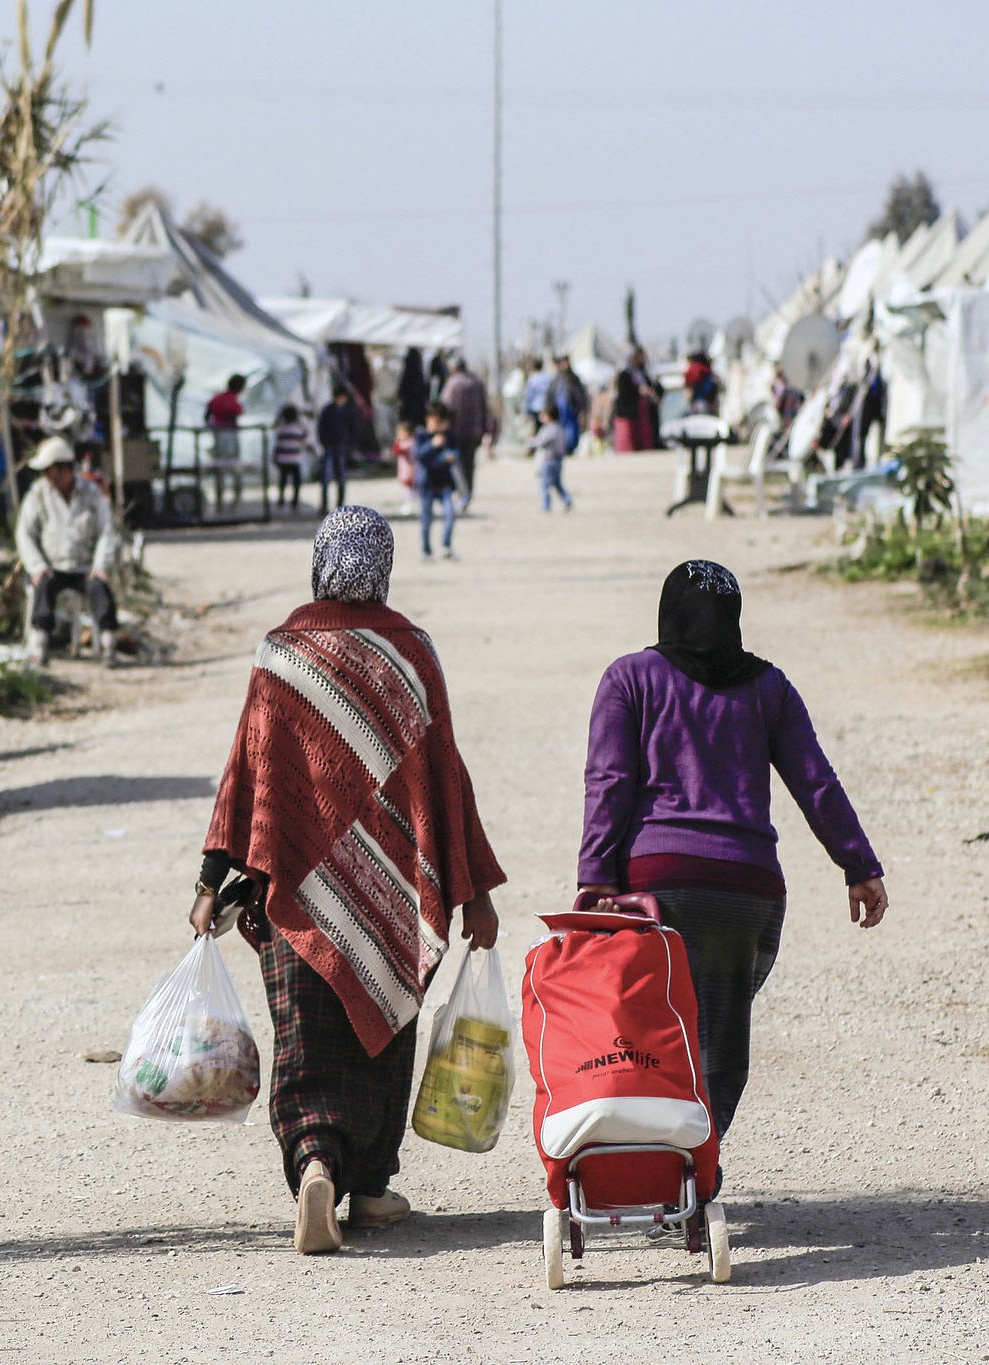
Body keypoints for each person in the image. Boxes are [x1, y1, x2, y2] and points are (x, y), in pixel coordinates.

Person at [191, 507, 505, 1254]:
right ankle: (366, 1186)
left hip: (293, 891)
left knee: (305, 1044)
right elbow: (444, 779)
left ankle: (313, 1166)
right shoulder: (412, 654)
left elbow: (248, 776)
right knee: (380, 1039)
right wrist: (475, 892)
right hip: (395, 897)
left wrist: (210, 879)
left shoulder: (282, 654)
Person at [578, 560, 887, 1165]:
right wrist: (858, 864)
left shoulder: (630, 679)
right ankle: (697, 1161)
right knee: (717, 1037)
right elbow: (815, 781)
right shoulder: (769, 687)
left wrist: (594, 880)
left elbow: (609, 784)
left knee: (649, 1033)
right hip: (746, 894)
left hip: (654, 891)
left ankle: (649, 1167)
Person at [16, 436, 120, 667]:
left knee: (100, 590)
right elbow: (25, 534)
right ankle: (39, 646)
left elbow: (107, 531)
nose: (48, 477)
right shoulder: (37, 494)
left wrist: (100, 565)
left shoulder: (91, 493)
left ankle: (108, 645)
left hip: (84, 567)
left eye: (51, 470)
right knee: (43, 589)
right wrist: (38, 566)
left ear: (65, 469)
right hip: (52, 567)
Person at [413, 401, 460, 561]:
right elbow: (419, 456)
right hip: (427, 484)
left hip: (445, 483)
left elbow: (454, 453)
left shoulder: (449, 436)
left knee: (450, 514)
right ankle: (426, 550)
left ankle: (446, 546)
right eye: (436, 421)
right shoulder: (421, 436)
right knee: (426, 519)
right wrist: (432, 445)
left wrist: (451, 456)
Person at [439, 357, 488, 507]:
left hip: (456, 431)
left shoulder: (452, 384)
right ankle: (469, 493)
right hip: (474, 430)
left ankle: (463, 493)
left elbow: (444, 407)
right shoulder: (477, 383)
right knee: (469, 464)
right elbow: (484, 408)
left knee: (456, 463)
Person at [204, 374, 246, 509]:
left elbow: (207, 413)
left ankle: (220, 499)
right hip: (229, 435)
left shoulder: (218, 398)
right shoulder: (231, 400)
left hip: (218, 433)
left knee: (220, 467)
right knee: (233, 466)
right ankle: (235, 498)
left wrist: (211, 426)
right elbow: (235, 413)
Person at [315, 384, 356, 514]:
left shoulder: (348, 411)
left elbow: (353, 428)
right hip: (330, 446)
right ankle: (324, 505)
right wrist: (324, 442)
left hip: (341, 446)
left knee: (341, 478)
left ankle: (340, 504)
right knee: (326, 478)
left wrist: (350, 443)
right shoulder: (328, 410)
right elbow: (321, 428)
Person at [613, 347, 661, 453]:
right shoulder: (624, 375)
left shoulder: (642, 372)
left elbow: (654, 386)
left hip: (642, 412)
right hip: (628, 412)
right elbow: (625, 392)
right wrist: (640, 391)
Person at [529, 400, 573, 512]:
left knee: (544, 485)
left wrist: (530, 443)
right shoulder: (560, 428)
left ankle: (546, 506)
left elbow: (541, 442)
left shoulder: (549, 429)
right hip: (559, 461)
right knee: (557, 484)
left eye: (543, 415)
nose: (541, 417)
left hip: (549, 461)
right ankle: (567, 500)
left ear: (548, 416)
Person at [271, 403, 315, 513]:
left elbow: (277, 445)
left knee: (283, 480)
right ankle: (294, 502)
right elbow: (306, 441)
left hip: (283, 459)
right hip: (295, 459)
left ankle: (281, 499)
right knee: (296, 481)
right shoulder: (299, 428)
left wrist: (275, 458)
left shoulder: (281, 429)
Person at [547, 356, 588, 459]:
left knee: (572, 429)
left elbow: (580, 394)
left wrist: (582, 408)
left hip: (572, 407)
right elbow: (551, 393)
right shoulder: (557, 378)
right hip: (559, 409)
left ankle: (570, 448)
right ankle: (563, 448)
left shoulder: (574, 378)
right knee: (560, 429)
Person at [392, 418, 417, 515]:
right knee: (410, 489)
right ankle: (411, 503)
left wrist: (397, 443)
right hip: (405, 469)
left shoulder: (410, 443)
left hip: (411, 471)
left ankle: (410, 505)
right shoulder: (406, 442)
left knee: (410, 489)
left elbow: (398, 451)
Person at [523, 359, 553, 436]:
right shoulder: (548, 377)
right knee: (547, 427)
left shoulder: (532, 379)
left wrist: (526, 410)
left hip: (536, 408)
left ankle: (538, 444)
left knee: (537, 428)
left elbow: (529, 396)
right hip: (547, 407)